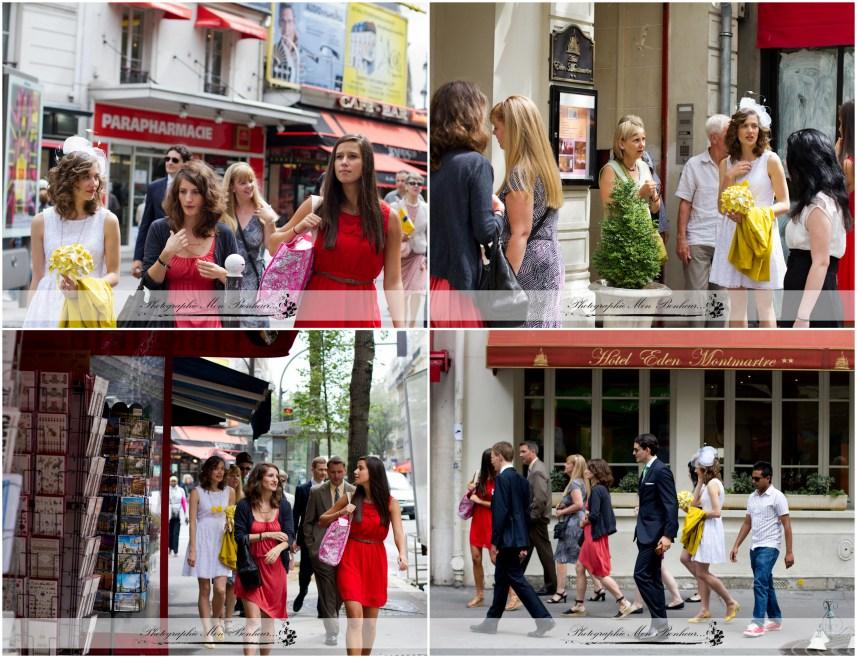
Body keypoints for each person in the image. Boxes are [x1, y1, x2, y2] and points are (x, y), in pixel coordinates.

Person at [271, 134, 404, 327]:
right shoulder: (315, 205)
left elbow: (393, 282)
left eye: (352, 156)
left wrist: (400, 328)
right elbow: (274, 246)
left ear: (366, 164)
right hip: (318, 304)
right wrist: (299, 229)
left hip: (363, 309)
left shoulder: (388, 217)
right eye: (339, 157)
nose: (344, 162)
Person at [429, 80, 504, 327]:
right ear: (471, 115)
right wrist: (499, 214)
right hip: (459, 286)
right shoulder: (476, 164)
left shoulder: (433, 164)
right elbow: (485, 231)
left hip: (431, 282)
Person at [709, 100, 790, 327]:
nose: (750, 131)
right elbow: (721, 207)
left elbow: (785, 203)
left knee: (765, 306)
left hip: (760, 234)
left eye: (754, 126)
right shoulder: (726, 163)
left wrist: (755, 213)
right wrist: (729, 175)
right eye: (744, 126)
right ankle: (738, 361)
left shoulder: (770, 160)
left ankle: (770, 361)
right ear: (736, 130)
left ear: (760, 130)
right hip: (732, 235)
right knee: (737, 307)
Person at [25, 139, 121, 328]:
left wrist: (84, 287)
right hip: (46, 310)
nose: (93, 183)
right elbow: (37, 276)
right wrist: (29, 316)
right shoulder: (41, 222)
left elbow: (114, 274)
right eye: (86, 176)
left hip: (87, 308)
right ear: (68, 179)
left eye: (96, 176)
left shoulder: (108, 221)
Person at [320, 456, 408, 655]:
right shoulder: (350, 497)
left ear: (374, 473)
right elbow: (322, 520)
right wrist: (341, 512)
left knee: (369, 623)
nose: (355, 472)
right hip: (350, 558)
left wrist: (403, 554)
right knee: (355, 616)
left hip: (375, 561)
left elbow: (399, 532)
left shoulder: (390, 503)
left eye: (360, 468)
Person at [490, 96, 565, 327]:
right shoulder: (544, 168)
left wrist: (504, 286)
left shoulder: (520, 173)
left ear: (513, 130)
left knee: (526, 340)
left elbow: (520, 234)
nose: (494, 133)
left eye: (497, 127)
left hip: (528, 266)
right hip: (549, 260)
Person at [470, 441, 554, 637]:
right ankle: (490, 623)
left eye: (492, 458)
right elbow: (524, 513)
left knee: (516, 579)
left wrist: (494, 542)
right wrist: (523, 541)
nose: (491, 462)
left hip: (506, 540)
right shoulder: (520, 479)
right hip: (517, 538)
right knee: (501, 580)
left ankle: (544, 620)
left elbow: (500, 513)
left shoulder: (502, 480)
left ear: (499, 456)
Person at [141, 159, 238, 328]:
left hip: (212, 329)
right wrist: (166, 255)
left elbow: (239, 291)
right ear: (176, 194)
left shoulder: (224, 234)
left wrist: (223, 275)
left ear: (207, 195)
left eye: (195, 192)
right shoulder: (160, 229)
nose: (188, 199)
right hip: (170, 329)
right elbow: (148, 283)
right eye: (183, 191)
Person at [781, 129, 851, 327]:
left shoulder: (819, 204)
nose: (786, 163)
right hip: (807, 286)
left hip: (811, 290)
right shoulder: (823, 199)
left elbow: (821, 262)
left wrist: (803, 316)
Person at [233, 463, 295, 656]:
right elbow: (239, 537)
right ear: (259, 479)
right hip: (251, 568)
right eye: (270, 476)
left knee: (268, 619)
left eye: (276, 476)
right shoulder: (244, 505)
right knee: (253, 620)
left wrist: (279, 547)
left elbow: (290, 535)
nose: (275, 479)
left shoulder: (283, 505)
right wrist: (267, 536)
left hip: (275, 569)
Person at [730, 461, 794, 638]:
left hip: (770, 546)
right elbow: (747, 523)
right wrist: (736, 545)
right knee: (766, 584)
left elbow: (787, 526)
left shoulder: (777, 497)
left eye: (757, 478)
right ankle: (775, 619)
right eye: (753, 478)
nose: (754, 481)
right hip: (755, 547)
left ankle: (757, 623)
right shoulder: (752, 497)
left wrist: (789, 552)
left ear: (768, 478)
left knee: (759, 583)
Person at [565, 459, 633, 618]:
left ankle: (623, 602)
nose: (586, 471)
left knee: (601, 573)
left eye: (589, 469)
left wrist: (583, 522)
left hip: (593, 537)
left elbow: (594, 515)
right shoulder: (600, 489)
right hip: (592, 536)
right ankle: (579, 605)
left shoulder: (597, 490)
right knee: (580, 568)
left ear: (596, 471)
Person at [675, 114, 732, 304]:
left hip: (727, 241)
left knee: (720, 305)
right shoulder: (694, 164)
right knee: (697, 302)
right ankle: (696, 335)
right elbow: (685, 203)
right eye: (728, 132)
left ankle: (716, 336)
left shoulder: (737, 165)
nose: (734, 136)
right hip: (699, 240)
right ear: (714, 138)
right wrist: (682, 239)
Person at [681, 448, 740, 623]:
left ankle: (730, 602)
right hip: (703, 529)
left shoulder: (714, 484)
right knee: (693, 564)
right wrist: (699, 482)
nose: (694, 469)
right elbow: (693, 504)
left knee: (702, 573)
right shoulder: (707, 484)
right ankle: (705, 609)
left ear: (705, 469)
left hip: (709, 529)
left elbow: (716, 512)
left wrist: (700, 514)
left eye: (697, 467)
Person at [183, 456, 236, 648]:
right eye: (216, 468)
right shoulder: (196, 493)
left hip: (222, 544)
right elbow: (193, 523)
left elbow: (232, 517)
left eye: (222, 468)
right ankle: (208, 633)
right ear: (207, 471)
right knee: (205, 589)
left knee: (221, 590)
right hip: (202, 543)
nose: (220, 472)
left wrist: (232, 526)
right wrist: (193, 550)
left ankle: (217, 620)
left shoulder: (230, 492)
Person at [303, 456, 355, 646]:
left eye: (339, 472)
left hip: (346, 551)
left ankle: (332, 616)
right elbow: (308, 522)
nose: (335, 476)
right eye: (332, 472)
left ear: (345, 471)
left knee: (341, 590)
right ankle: (332, 631)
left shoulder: (354, 492)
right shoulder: (316, 492)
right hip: (322, 551)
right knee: (326, 591)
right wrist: (311, 548)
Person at [632, 433, 678, 641]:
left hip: (654, 535)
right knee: (653, 579)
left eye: (636, 449)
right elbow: (655, 501)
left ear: (647, 450)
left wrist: (668, 535)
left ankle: (660, 626)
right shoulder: (647, 471)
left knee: (640, 575)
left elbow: (671, 504)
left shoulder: (661, 471)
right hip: (645, 532)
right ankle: (659, 628)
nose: (634, 453)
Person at [221, 162, 279, 327]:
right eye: (243, 182)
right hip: (225, 280)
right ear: (232, 187)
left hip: (253, 283)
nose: (249, 186)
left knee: (252, 331)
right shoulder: (222, 212)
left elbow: (271, 248)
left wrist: (269, 221)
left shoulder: (263, 209)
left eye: (251, 180)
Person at [132, 144, 192, 278]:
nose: (170, 162)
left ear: (185, 164)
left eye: (175, 160)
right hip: (157, 249)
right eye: (167, 159)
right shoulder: (154, 187)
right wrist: (138, 257)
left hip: (184, 248)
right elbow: (145, 224)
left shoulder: (191, 188)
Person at [599, 115, 662, 224]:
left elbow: (654, 209)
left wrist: (654, 196)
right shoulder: (610, 170)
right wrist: (640, 193)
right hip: (621, 239)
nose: (642, 145)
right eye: (636, 140)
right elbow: (613, 211)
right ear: (621, 143)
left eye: (643, 139)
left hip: (644, 236)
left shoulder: (644, 166)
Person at [518, 441, 557, 596]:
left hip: (536, 519)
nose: (520, 455)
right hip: (535, 518)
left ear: (532, 451)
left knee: (543, 552)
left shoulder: (537, 470)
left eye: (523, 451)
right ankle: (512, 579)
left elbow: (540, 498)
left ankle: (552, 586)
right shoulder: (535, 468)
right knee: (526, 549)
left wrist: (531, 517)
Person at [549, 454, 587, 605]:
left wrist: (561, 512)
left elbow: (578, 504)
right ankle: (599, 588)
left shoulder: (575, 484)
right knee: (582, 557)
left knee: (561, 557)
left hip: (572, 524)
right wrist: (565, 505)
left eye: (567, 463)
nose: (564, 465)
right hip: (579, 522)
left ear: (574, 466)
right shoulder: (582, 482)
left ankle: (560, 592)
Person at [391, 173, 428, 327]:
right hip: (401, 255)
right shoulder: (395, 207)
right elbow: (388, 232)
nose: (415, 186)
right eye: (412, 183)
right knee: (403, 293)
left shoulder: (426, 208)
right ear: (405, 186)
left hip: (419, 255)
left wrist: (427, 256)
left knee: (418, 292)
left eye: (419, 183)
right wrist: (400, 236)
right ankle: (404, 323)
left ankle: (412, 323)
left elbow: (428, 233)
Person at [292, 456, 327, 613]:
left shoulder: (330, 489)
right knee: (305, 571)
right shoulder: (302, 489)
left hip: (326, 538)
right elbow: (296, 515)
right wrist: (292, 538)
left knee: (324, 571)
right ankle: (302, 591)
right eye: (320, 469)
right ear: (312, 470)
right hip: (307, 537)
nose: (323, 472)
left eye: (325, 469)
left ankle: (322, 604)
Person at [465, 449, 495, 608]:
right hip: (478, 521)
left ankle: (513, 594)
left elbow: (499, 505)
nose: (494, 460)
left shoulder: (500, 478)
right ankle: (479, 595)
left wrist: (479, 501)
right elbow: (470, 496)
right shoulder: (479, 475)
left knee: (496, 559)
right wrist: (470, 488)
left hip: (492, 521)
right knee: (476, 558)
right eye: (492, 458)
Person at [835, 100, 854, 323]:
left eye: (840, 123)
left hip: (850, 230)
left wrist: (834, 154)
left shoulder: (847, 162)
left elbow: (834, 190)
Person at [224, 464, 246, 629]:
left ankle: (228, 619)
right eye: (231, 475)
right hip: (220, 544)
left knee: (232, 584)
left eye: (237, 475)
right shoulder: (221, 495)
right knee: (219, 584)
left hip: (236, 545)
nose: (235, 479)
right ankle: (218, 616)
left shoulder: (243, 498)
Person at [272, 4, 299, 84]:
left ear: (294, 23)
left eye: (289, 21)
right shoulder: (274, 51)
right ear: (279, 23)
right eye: (283, 21)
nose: (286, 26)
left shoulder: (301, 53)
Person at [168, 475, 188, 557]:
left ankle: (175, 550)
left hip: (178, 514)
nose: (173, 482)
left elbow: (184, 502)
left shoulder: (181, 490)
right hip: (169, 513)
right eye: (172, 481)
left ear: (177, 481)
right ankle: (170, 548)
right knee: (170, 533)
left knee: (176, 533)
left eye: (174, 481)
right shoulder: (168, 490)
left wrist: (186, 514)